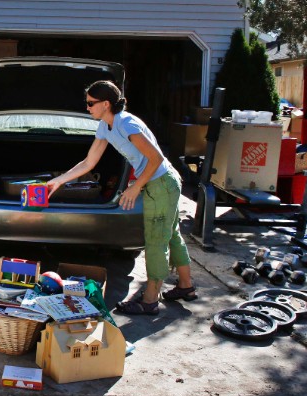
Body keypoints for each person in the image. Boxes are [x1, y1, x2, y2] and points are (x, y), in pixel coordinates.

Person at [47, 80, 196, 315]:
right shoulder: (105, 127)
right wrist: (59, 181)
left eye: (90, 103)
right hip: (161, 183)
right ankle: (186, 286)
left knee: (156, 241)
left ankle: (149, 301)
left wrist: (136, 187)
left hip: (161, 184)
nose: (87, 108)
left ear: (106, 104)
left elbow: (155, 158)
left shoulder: (126, 123)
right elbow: (89, 162)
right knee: (171, 234)